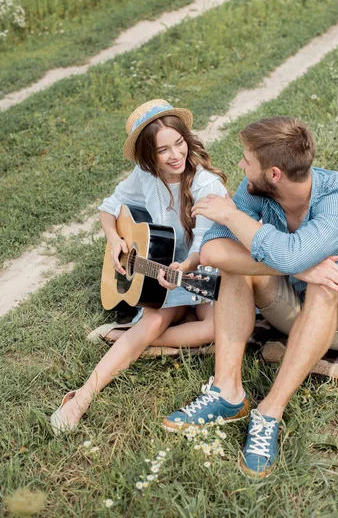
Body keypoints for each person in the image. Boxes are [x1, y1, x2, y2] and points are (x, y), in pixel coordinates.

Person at [163, 116, 338, 478]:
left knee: (327, 279)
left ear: (275, 174)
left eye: (247, 160)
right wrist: (297, 266)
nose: (240, 165)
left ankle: (269, 412)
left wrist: (234, 218)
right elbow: (213, 253)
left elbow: (293, 254)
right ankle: (227, 393)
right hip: (290, 307)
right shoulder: (255, 191)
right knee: (243, 265)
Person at [50, 99, 227, 434]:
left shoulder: (206, 186)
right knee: (154, 320)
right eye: (164, 150)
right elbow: (109, 207)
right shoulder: (144, 176)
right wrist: (113, 238)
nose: (176, 155)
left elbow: (205, 245)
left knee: (213, 330)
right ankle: (81, 397)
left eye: (179, 143)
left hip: (196, 272)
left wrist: (184, 266)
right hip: (158, 274)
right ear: (149, 156)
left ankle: (126, 339)